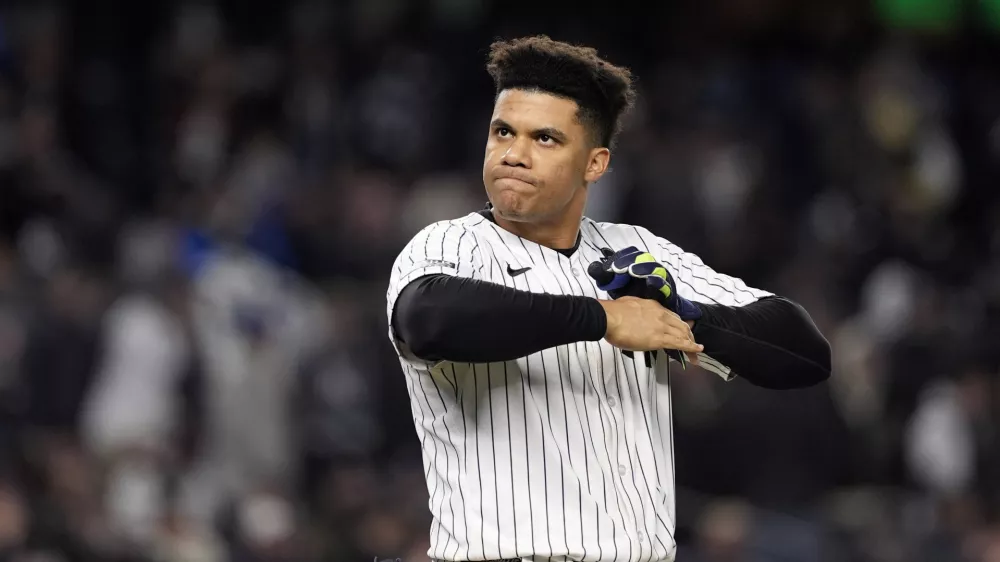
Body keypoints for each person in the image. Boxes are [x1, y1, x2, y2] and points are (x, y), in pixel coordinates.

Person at [386, 35, 831, 562]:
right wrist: (602, 317)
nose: (513, 154)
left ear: (594, 163)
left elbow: (804, 353)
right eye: (503, 131)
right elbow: (428, 319)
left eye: (545, 139)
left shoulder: (637, 248)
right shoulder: (449, 244)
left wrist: (684, 317)